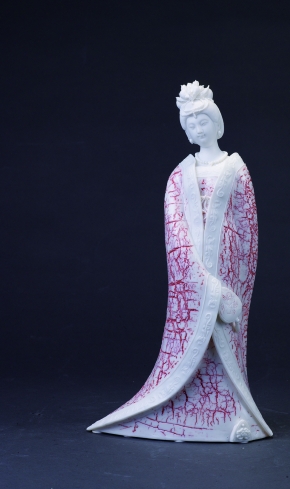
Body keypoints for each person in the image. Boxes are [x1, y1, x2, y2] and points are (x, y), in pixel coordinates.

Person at [87, 81, 272, 442]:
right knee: (193, 339)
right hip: (191, 277)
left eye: (204, 121)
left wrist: (239, 285)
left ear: (217, 123)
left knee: (225, 340)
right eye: (191, 124)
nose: (199, 129)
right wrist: (203, 280)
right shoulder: (179, 176)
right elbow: (176, 234)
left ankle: (233, 415)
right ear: (186, 131)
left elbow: (248, 229)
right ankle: (182, 414)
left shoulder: (236, 169)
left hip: (229, 268)